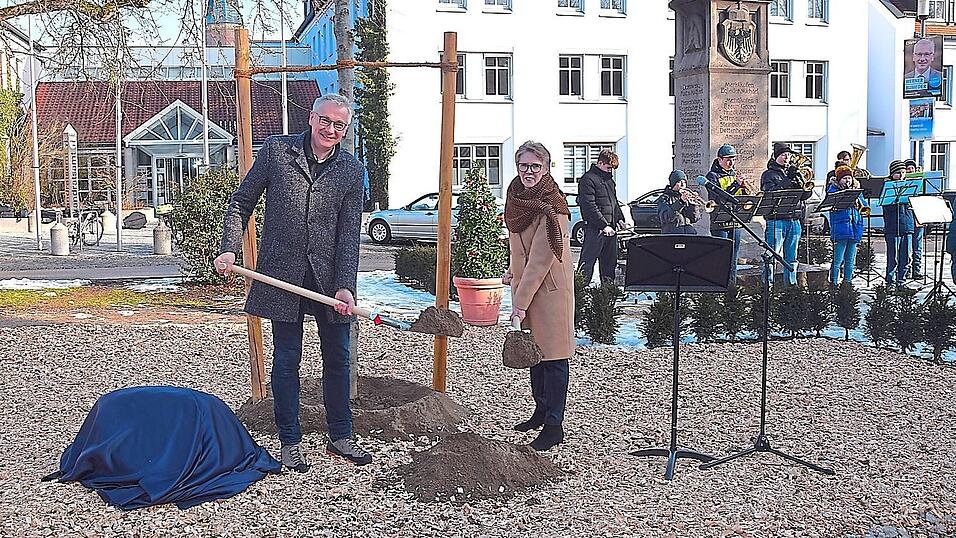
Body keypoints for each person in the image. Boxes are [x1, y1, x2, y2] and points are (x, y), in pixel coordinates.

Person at [213, 94, 372, 472]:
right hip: (281, 277)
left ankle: (341, 435)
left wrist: (345, 285)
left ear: (345, 130)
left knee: (338, 357)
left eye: (339, 125)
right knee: (286, 360)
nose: (330, 130)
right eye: (325, 121)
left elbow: (349, 233)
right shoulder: (277, 151)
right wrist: (231, 249)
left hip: (329, 280)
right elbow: (241, 202)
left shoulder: (351, 169)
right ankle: (290, 439)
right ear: (311, 118)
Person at [502, 140, 574, 452]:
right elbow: (520, 248)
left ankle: (555, 424)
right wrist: (511, 270)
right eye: (523, 166)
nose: (528, 172)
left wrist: (518, 304)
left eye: (535, 166)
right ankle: (541, 411)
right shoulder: (516, 197)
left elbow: (542, 259)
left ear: (546, 168)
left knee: (554, 358)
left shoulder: (551, 205)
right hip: (529, 285)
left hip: (550, 291)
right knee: (536, 357)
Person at [761, 143, 812, 286]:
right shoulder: (768, 174)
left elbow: (805, 195)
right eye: (783, 155)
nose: (787, 158)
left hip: (794, 219)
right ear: (776, 156)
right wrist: (788, 180)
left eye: (788, 155)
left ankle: (790, 286)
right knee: (770, 255)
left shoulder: (793, 172)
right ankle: (767, 287)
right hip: (776, 220)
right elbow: (770, 194)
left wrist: (803, 182)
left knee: (792, 257)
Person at [577, 149, 626, 285]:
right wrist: (603, 225)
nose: (610, 171)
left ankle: (607, 294)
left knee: (609, 265)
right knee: (587, 264)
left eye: (612, 169)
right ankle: (579, 292)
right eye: (608, 167)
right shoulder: (587, 180)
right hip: (595, 229)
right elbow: (589, 206)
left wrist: (620, 219)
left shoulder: (609, 181)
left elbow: (613, 202)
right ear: (600, 163)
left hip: (610, 229)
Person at [705, 144, 746, 282]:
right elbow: (718, 197)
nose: (731, 163)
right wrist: (735, 185)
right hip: (720, 222)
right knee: (721, 258)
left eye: (733, 159)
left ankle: (731, 289)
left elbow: (742, 198)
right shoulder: (712, 176)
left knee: (733, 259)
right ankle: (718, 287)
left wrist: (744, 188)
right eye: (728, 159)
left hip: (736, 221)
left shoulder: (734, 174)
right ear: (719, 159)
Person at [827, 166, 865, 287]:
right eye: (844, 178)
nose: (847, 181)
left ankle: (847, 282)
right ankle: (833, 282)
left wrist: (859, 201)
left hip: (854, 228)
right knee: (838, 260)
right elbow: (831, 205)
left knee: (850, 260)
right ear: (838, 180)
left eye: (849, 178)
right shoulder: (833, 191)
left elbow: (864, 205)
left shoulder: (856, 190)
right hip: (840, 229)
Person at [883, 159, 915, 289]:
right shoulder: (888, 187)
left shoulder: (910, 186)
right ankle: (890, 282)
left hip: (907, 225)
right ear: (892, 174)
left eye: (903, 172)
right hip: (892, 226)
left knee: (905, 257)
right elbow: (885, 206)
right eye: (897, 173)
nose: (901, 175)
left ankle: (901, 281)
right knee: (893, 257)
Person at [657, 169, 703, 234]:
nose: (682, 185)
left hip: (689, 235)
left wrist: (693, 205)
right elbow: (666, 218)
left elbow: (694, 219)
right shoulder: (664, 198)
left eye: (684, 182)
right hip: (673, 236)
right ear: (673, 183)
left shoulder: (687, 197)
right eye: (679, 182)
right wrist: (680, 202)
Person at [905, 158, 925, 280]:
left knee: (917, 246)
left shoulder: (921, 182)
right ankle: (906, 270)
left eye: (912, 168)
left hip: (918, 216)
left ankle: (916, 270)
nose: (910, 170)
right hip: (907, 216)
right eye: (908, 169)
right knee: (907, 246)